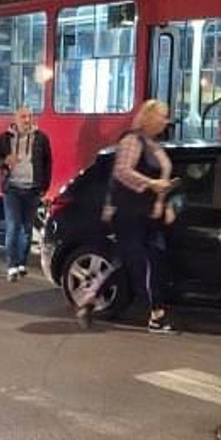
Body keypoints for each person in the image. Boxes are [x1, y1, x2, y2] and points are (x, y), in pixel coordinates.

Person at [78, 99, 177, 332]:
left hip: (150, 215)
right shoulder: (132, 140)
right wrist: (151, 183)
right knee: (142, 262)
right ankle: (156, 314)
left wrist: (165, 202)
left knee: (135, 262)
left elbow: (162, 181)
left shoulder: (155, 144)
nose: (166, 120)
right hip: (129, 213)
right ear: (149, 117)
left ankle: (90, 299)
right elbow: (122, 172)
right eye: (162, 116)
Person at [0, 105, 52, 281]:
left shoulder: (41, 138)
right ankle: (11, 266)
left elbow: (48, 163)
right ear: (16, 119)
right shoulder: (4, 138)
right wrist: (4, 162)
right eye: (23, 117)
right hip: (12, 189)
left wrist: (44, 186)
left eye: (29, 117)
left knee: (26, 229)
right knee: (13, 226)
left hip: (33, 189)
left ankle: (21, 263)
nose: (27, 120)